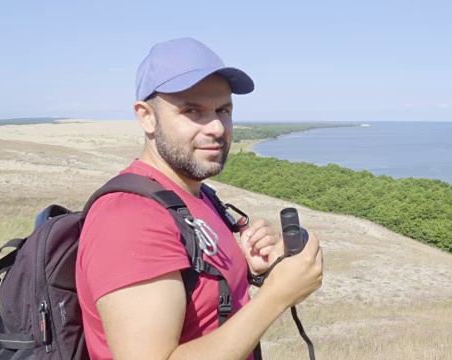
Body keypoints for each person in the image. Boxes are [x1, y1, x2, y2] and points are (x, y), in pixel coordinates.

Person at [75, 37, 324, 360]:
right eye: (193, 111)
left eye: (223, 110)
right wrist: (276, 296)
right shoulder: (130, 218)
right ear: (146, 116)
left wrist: (245, 268)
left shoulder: (195, 195)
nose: (217, 128)